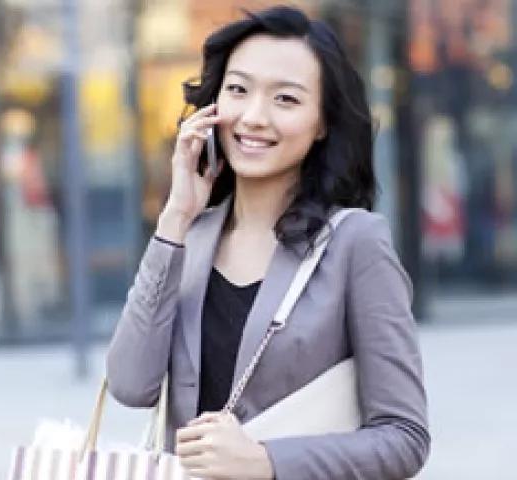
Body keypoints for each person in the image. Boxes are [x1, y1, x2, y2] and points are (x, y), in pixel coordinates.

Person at [106, 5, 430, 479]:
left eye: (286, 99)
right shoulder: (189, 238)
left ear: (322, 123)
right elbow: (130, 385)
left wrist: (267, 462)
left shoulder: (354, 244)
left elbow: (405, 436)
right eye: (238, 90)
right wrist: (175, 217)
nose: (254, 117)